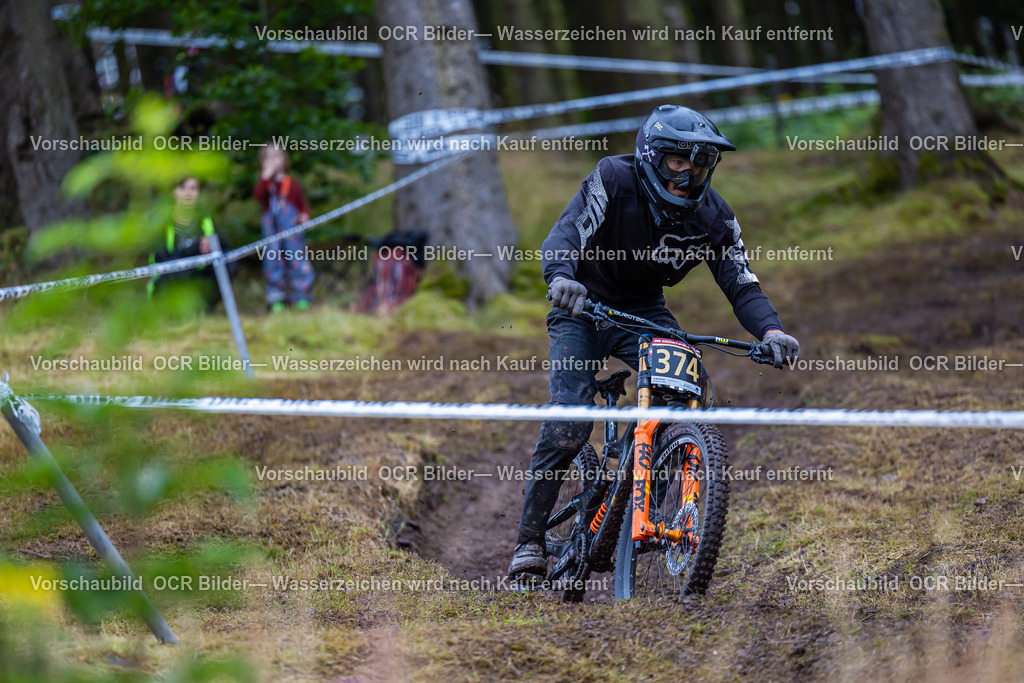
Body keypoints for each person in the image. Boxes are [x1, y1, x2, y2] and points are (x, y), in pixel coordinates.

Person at [507, 104, 801, 580]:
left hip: (642, 310)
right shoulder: (614, 178)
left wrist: (771, 331)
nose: (688, 174)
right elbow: (564, 234)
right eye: (676, 161)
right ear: (650, 157)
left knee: (692, 391)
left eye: (700, 162)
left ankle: (645, 505)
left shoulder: (715, 217)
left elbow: (741, 282)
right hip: (581, 302)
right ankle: (529, 541)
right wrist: (561, 277)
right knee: (570, 417)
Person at [147, 176, 228, 305]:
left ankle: (206, 309)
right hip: (169, 280)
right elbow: (163, 261)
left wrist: (212, 245)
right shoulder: (162, 222)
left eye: (193, 188)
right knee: (177, 272)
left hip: (199, 276)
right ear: (174, 192)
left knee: (228, 265)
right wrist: (197, 248)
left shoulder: (206, 219)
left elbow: (226, 248)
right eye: (183, 188)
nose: (188, 193)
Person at [254, 143, 315, 312]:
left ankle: (301, 296)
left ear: (284, 159)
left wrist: (304, 215)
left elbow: (303, 205)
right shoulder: (265, 185)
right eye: (269, 157)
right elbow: (258, 196)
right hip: (272, 235)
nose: (273, 160)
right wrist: (265, 177)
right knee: (273, 262)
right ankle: (276, 299)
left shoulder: (292, 184)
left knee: (297, 261)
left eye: (277, 156)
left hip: (292, 234)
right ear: (262, 162)